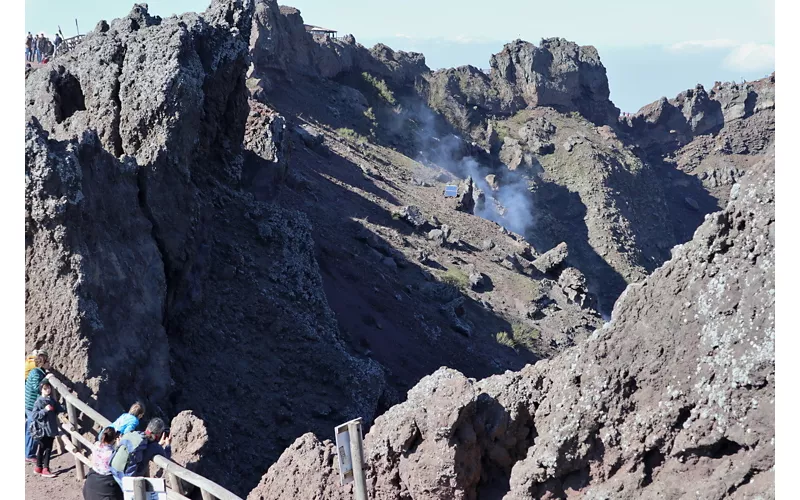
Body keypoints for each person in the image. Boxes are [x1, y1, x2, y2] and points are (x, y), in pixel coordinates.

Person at [109, 418, 171, 487]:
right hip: (128, 479)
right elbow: (166, 459)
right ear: (159, 434)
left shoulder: (136, 434)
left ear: (148, 427)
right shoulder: (155, 447)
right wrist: (168, 445)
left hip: (114, 471)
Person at [30, 380, 65, 477]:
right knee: (45, 449)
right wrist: (45, 410)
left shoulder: (52, 400)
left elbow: (59, 408)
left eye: (49, 388)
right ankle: (45, 469)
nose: (47, 390)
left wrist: (63, 405)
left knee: (45, 448)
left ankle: (39, 467)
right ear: (41, 390)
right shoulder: (39, 402)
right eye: (45, 388)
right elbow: (34, 415)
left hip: (51, 429)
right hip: (43, 430)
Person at [83, 428, 123, 500]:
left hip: (93, 477)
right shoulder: (112, 453)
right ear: (114, 439)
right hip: (107, 479)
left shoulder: (96, 445)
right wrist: (119, 445)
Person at [25, 349, 50, 463]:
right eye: (48, 361)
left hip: (29, 404)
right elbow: (37, 387)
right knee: (33, 430)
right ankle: (29, 454)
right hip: (32, 405)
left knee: (29, 428)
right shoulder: (36, 372)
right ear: (43, 362)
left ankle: (27, 451)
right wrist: (47, 379)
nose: (49, 363)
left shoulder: (36, 370)